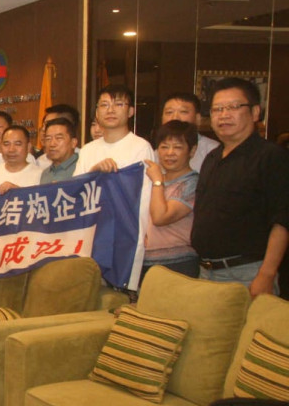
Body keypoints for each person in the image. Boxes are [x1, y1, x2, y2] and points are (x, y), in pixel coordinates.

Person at [192, 77, 289, 297]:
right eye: (217, 109)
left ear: (255, 112)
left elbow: (282, 220)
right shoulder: (212, 158)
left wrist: (267, 274)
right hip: (206, 271)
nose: (224, 115)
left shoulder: (271, 156)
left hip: (247, 273)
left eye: (234, 107)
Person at [75, 86, 156, 288]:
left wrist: (146, 230)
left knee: (121, 293)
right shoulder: (87, 150)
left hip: (125, 233)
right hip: (93, 234)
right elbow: (76, 192)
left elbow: (145, 197)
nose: (110, 110)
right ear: (96, 112)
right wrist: (95, 171)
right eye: (104, 105)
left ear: (130, 111)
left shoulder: (140, 147)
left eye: (118, 104)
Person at [141, 120, 200, 283]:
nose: (170, 153)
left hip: (179, 264)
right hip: (145, 263)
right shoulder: (152, 180)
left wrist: (157, 181)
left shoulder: (192, 183)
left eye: (178, 147)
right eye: (164, 147)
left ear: (192, 150)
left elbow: (160, 217)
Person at [160, 93, 220, 171]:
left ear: (198, 118)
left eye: (183, 112)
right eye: (169, 112)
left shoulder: (213, 151)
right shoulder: (156, 153)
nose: (175, 117)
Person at [35, 104, 80, 168]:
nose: (44, 129)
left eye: (49, 124)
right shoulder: (40, 162)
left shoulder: (83, 159)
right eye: (44, 124)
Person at [39, 118, 80, 184]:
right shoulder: (45, 174)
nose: (52, 144)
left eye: (59, 138)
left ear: (73, 143)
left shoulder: (82, 167)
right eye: (48, 139)